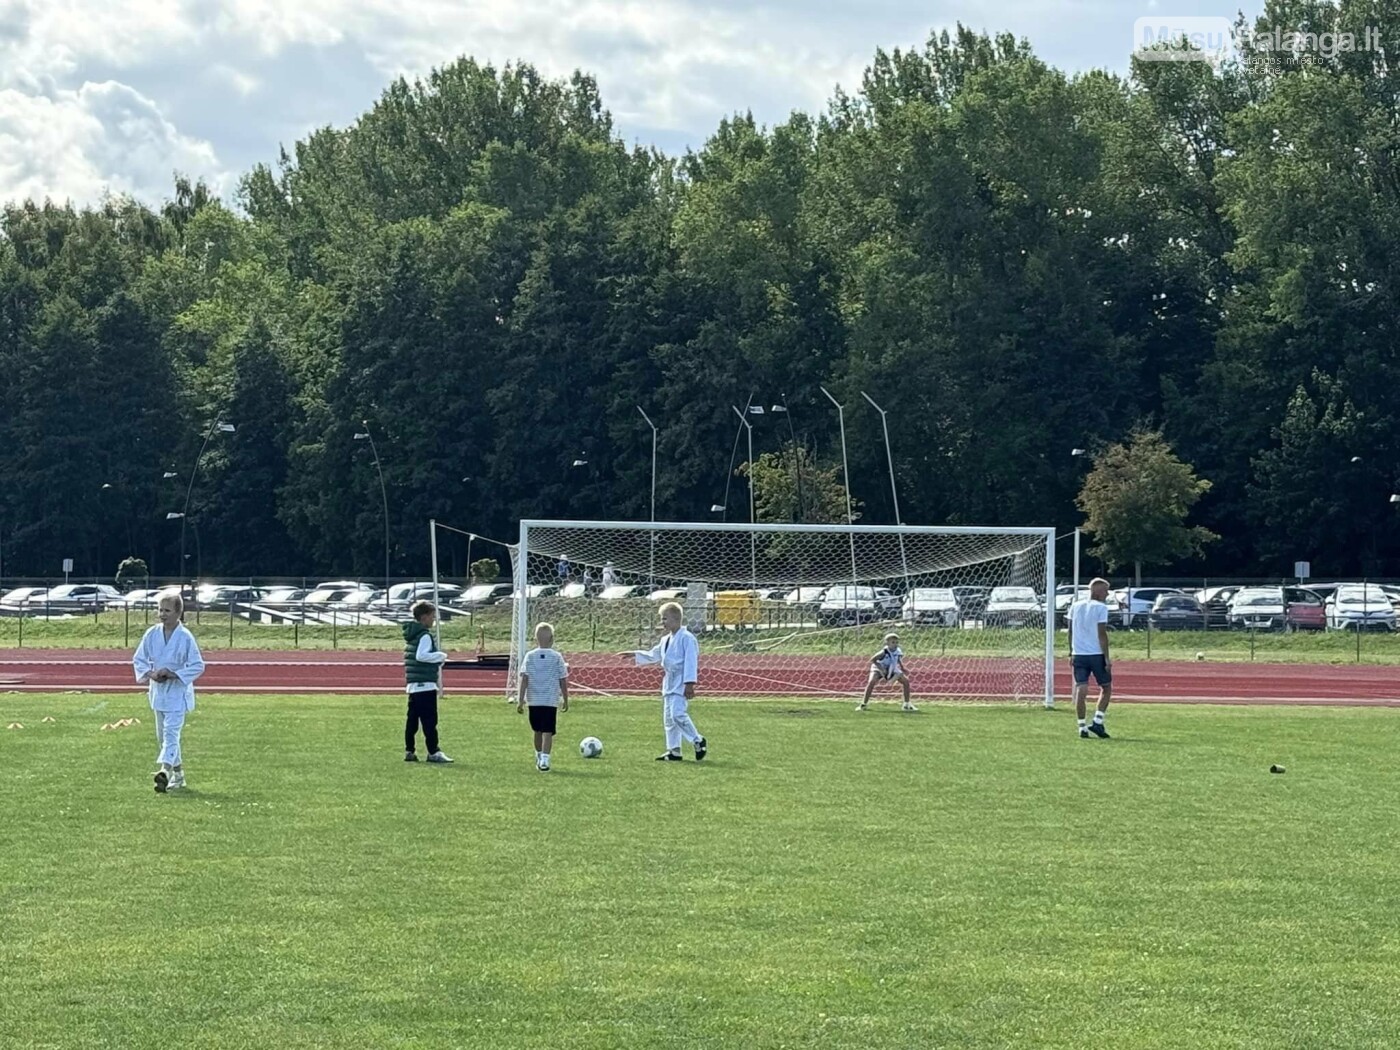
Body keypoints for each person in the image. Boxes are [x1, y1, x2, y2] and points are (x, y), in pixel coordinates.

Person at [132, 593, 206, 793]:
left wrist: (173, 674)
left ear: (178, 613)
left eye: (167, 611)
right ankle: (179, 775)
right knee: (162, 737)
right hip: (158, 693)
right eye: (160, 610)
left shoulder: (185, 637)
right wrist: (151, 673)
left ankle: (164, 771)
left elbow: (198, 665)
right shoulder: (152, 634)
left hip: (177, 695)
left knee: (171, 734)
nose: (162, 615)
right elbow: (138, 659)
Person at [625, 601, 706, 761]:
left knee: (678, 715)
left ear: (676, 619)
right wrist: (634, 654)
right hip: (669, 682)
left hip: (681, 682)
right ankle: (674, 750)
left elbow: (691, 661)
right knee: (669, 719)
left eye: (664, 619)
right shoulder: (666, 640)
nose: (662, 622)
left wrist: (689, 684)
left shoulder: (687, 638)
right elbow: (654, 655)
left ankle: (697, 739)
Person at [402, 600, 454, 763]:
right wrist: (440, 656)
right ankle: (433, 751)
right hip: (425, 684)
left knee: (412, 720)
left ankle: (410, 750)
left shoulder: (412, 635)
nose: (434, 620)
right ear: (424, 617)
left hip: (413, 685)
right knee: (429, 720)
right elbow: (421, 656)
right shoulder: (424, 635)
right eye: (432, 616)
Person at [517, 622, 570, 771]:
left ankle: (539, 755)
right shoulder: (557, 657)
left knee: (537, 731)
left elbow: (524, 679)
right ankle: (545, 759)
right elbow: (562, 680)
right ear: (552, 639)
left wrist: (521, 700)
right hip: (550, 701)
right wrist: (565, 699)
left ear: (535, 639)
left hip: (533, 700)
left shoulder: (530, 656)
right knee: (548, 731)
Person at [1068, 577, 1113, 738]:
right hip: (1096, 654)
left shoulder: (1075, 606)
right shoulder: (1101, 608)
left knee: (1081, 688)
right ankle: (1098, 722)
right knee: (1106, 687)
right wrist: (1107, 658)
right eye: (1106, 590)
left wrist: (1070, 651)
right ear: (1098, 591)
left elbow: (1070, 631)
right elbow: (1102, 634)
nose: (1107, 594)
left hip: (1078, 654)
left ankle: (1081, 726)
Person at [857, 632, 915, 712]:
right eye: (893, 642)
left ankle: (906, 704)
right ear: (887, 643)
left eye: (897, 642)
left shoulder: (898, 650)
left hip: (890, 668)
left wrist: (902, 667)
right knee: (872, 681)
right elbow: (873, 660)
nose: (895, 644)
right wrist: (881, 669)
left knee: (906, 681)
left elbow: (898, 659)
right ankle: (863, 704)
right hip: (878, 668)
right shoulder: (883, 652)